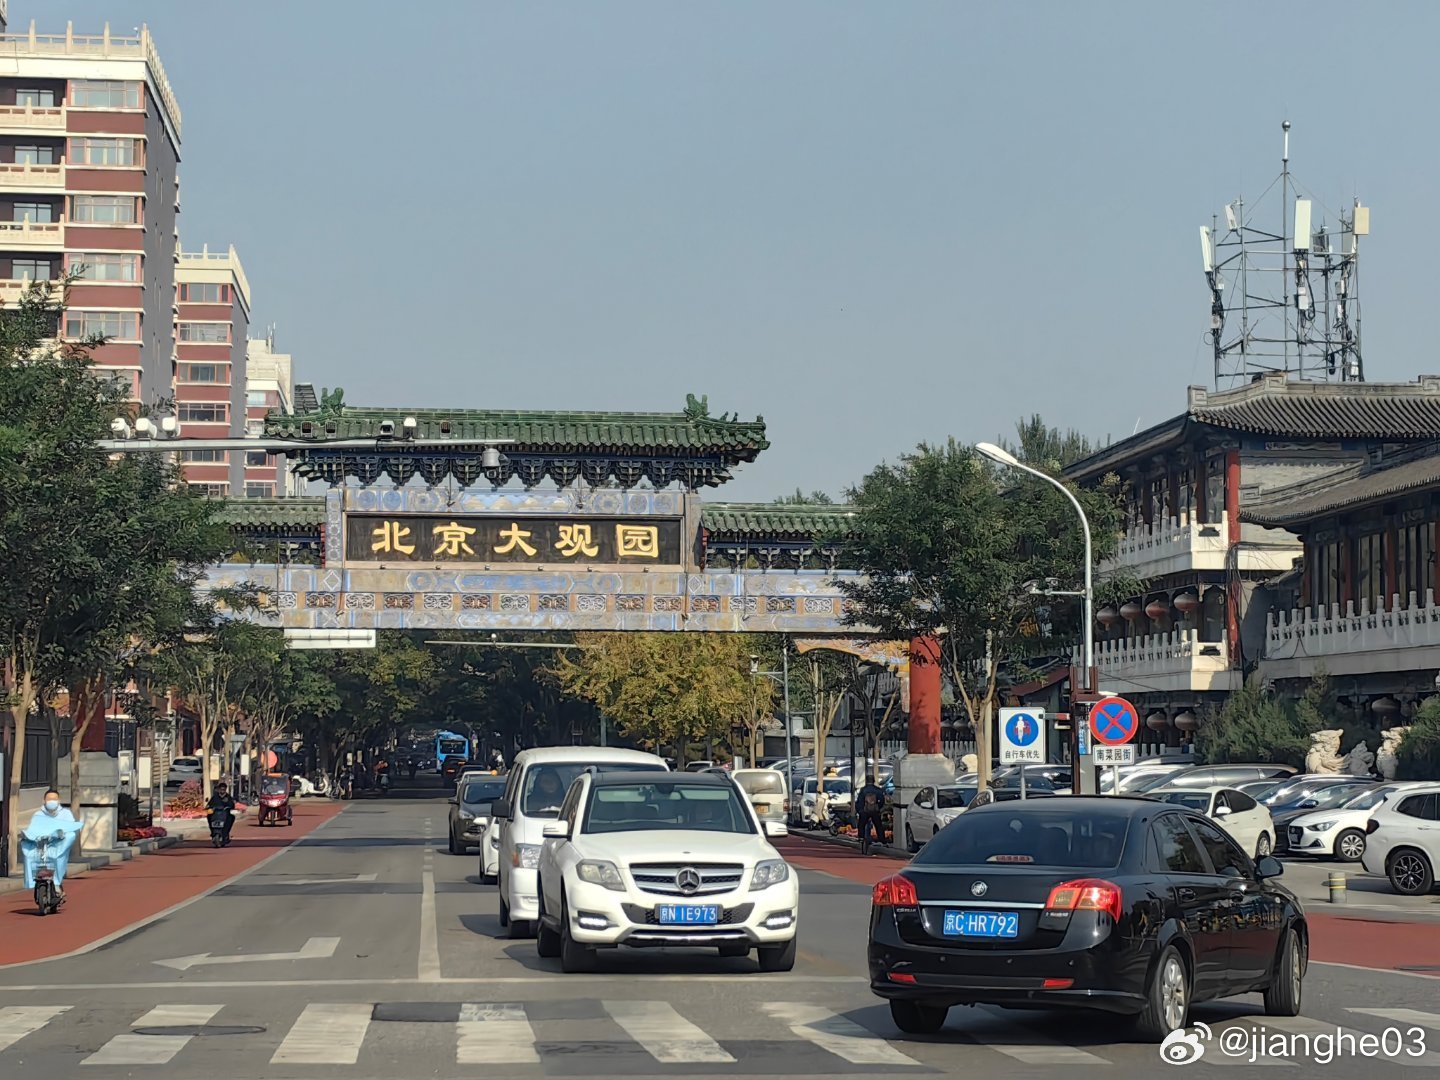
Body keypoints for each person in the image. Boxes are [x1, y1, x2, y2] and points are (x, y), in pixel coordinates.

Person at [22, 790, 81, 898]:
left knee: (59, 857)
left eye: (54, 799)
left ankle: (57, 883)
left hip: (58, 845)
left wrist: (62, 834)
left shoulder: (66, 813)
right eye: (49, 799)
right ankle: (32, 882)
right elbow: (32, 829)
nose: (52, 801)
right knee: (28, 853)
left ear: (59, 800)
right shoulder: (38, 814)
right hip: (41, 844)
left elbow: (70, 829)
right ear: (44, 800)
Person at [855, 773, 886, 855]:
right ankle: (882, 840)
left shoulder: (863, 790)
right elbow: (882, 800)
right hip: (875, 811)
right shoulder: (878, 790)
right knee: (878, 825)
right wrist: (878, 807)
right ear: (874, 781)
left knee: (861, 825)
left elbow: (859, 801)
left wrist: (860, 811)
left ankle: (861, 838)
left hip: (865, 811)